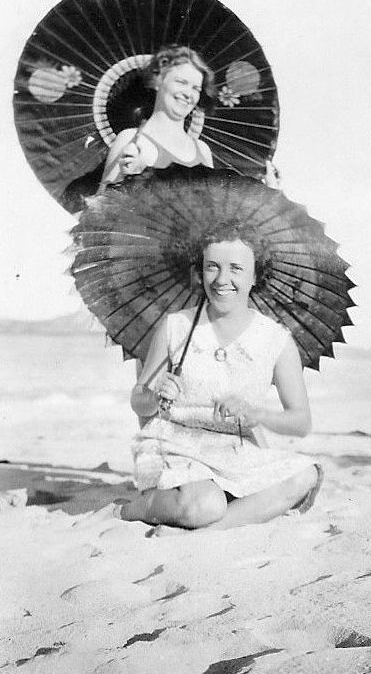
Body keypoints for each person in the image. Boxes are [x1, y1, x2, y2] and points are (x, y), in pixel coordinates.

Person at [120, 222, 323, 531]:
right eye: (212, 267)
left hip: (237, 451)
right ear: (200, 272)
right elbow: (139, 402)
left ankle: (208, 531)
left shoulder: (276, 339)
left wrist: (258, 415)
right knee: (207, 504)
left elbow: (301, 422)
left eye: (236, 269)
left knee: (306, 475)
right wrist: (155, 393)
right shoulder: (177, 326)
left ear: (255, 276)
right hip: (176, 446)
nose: (222, 279)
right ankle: (133, 509)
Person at [99, 45, 215, 189]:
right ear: (158, 81)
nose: (188, 94)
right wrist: (130, 180)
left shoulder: (203, 151)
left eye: (196, 89)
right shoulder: (130, 140)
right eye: (181, 82)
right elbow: (101, 202)